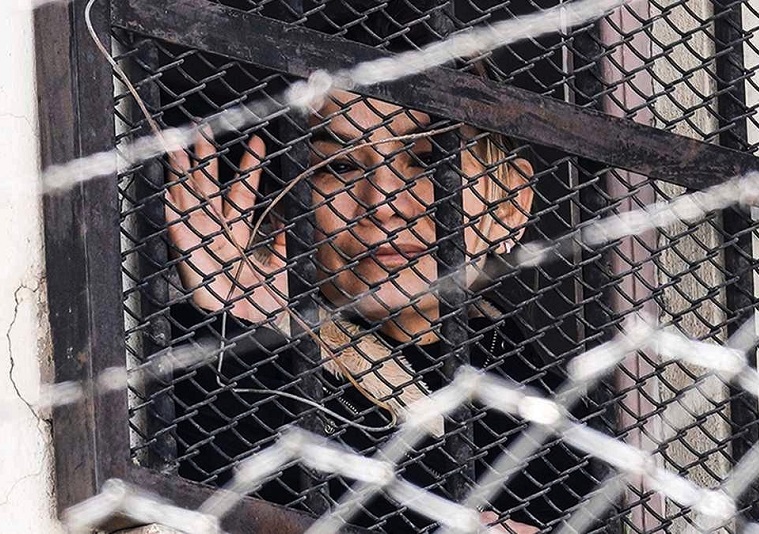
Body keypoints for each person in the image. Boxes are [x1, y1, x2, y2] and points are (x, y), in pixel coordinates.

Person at [166, 90, 597, 533]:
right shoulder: (226, 364)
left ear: (509, 203)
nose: (385, 203)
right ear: (285, 211)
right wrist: (237, 335)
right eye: (340, 166)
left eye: (428, 159)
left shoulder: (555, 415)